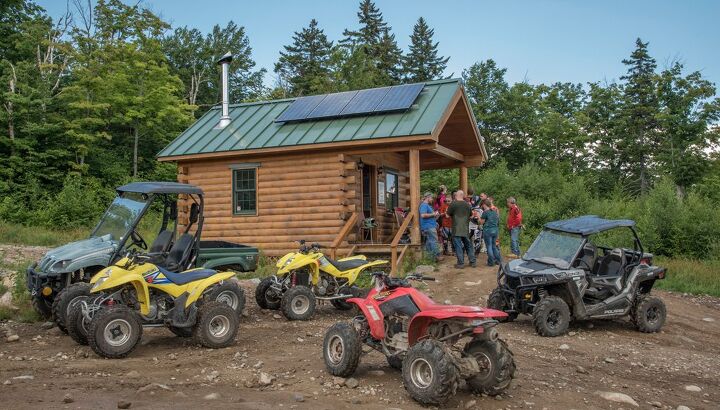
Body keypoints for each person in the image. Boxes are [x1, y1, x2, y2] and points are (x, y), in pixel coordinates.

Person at [447, 190, 476, 268]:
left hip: (456, 229)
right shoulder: (467, 205)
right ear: (462, 196)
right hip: (465, 229)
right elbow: (471, 216)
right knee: (468, 245)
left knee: (458, 246)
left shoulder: (453, 204)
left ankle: (461, 263)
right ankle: (472, 262)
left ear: (456, 195)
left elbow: (447, 215)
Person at [480, 198, 502, 266]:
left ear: (484, 205)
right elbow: (498, 221)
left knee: (489, 246)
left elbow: (481, 222)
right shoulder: (495, 211)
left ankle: (491, 262)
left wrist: (478, 217)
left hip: (488, 231)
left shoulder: (485, 212)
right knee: (494, 246)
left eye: (483, 205)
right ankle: (498, 261)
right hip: (495, 230)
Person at [419, 192, 440, 261]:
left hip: (429, 226)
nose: (432, 199)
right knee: (434, 241)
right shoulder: (424, 205)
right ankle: (436, 256)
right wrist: (433, 214)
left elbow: (429, 216)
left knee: (429, 242)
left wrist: (436, 217)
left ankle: (430, 258)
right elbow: (423, 215)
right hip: (428, 226)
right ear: (427, 197)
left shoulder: (427, 205)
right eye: (431, 198)